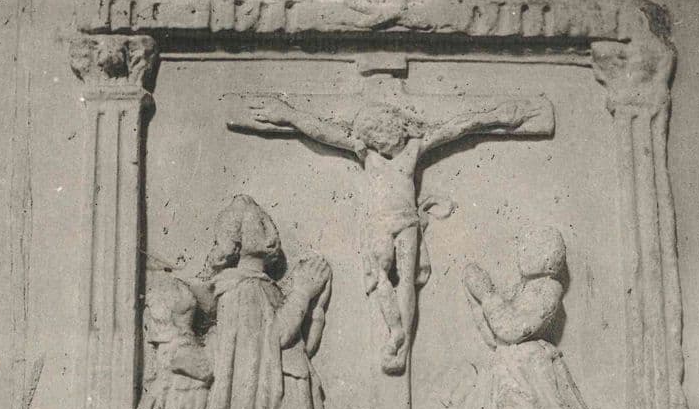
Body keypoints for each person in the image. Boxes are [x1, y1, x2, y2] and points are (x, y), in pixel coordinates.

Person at [229, 95, 548, 374]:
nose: (382, 141)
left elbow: (457, 128)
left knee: (394, 279)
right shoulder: (383, 152)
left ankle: (399, 337)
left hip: (395, 224)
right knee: (391, 278)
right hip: (392, 224)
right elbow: (322, 130)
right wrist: (287, 115)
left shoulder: (394, 152)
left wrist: (496, 116)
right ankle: (397, 333)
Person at [463, 227, 636, 409]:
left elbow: (511, 329)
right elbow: (495, 339)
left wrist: (486, 295)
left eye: (530, 248)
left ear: (548, 258)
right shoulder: (522, 288)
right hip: (515, 368)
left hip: (531, 372)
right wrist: (476, 301)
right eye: (522, 247)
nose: (521, 253)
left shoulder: (548, 289)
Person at [199, 194, 336, 409]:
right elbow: (277, 337)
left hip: (296, 375)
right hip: (283, 380)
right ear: (237, 239)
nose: (270, 231)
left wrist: (317, 307)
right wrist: (302, 292)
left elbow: (303, 345)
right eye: (260, 224)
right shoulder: (243, 287)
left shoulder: (262, 285)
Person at [102, 276, 212, 409]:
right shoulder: (170, 350)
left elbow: (204, 369)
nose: (146, 321)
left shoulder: (179, 351)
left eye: (150, 311)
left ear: (162, 316)